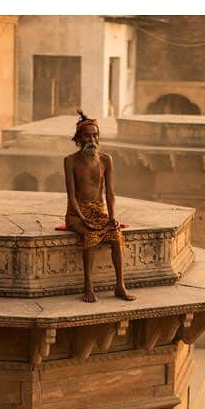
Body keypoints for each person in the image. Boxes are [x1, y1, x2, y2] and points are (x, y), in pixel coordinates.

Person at [63, 110, 135, 303]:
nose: (92, 139)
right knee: (90, 236)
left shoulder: (105, 160)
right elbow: (71, 196)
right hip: (77, 213)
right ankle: (88, 286)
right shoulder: (70, 161)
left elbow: (110, 193)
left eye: (95, 135)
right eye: (87, 135)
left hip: (99, 211)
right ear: (79, 137)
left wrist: (112, 216)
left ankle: (120, 286)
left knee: (116, 236)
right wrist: (82, 217)